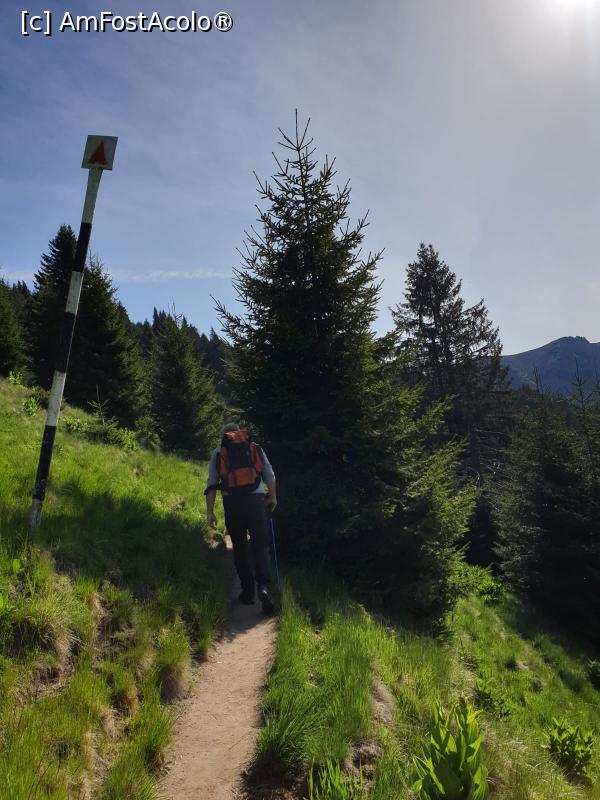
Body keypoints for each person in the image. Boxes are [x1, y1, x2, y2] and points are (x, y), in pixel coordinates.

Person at [205, 423, 277, 613]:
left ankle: (247, 592)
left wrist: (210, 512)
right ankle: (263, 587)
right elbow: (270, 475)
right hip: (256, 502)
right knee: (260, 546)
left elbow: (211, 484)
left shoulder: (218, 453)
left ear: (224, 436)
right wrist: (273, 497)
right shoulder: (254, 448)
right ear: (239, 434)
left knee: (239, 547)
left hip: (233, 504)